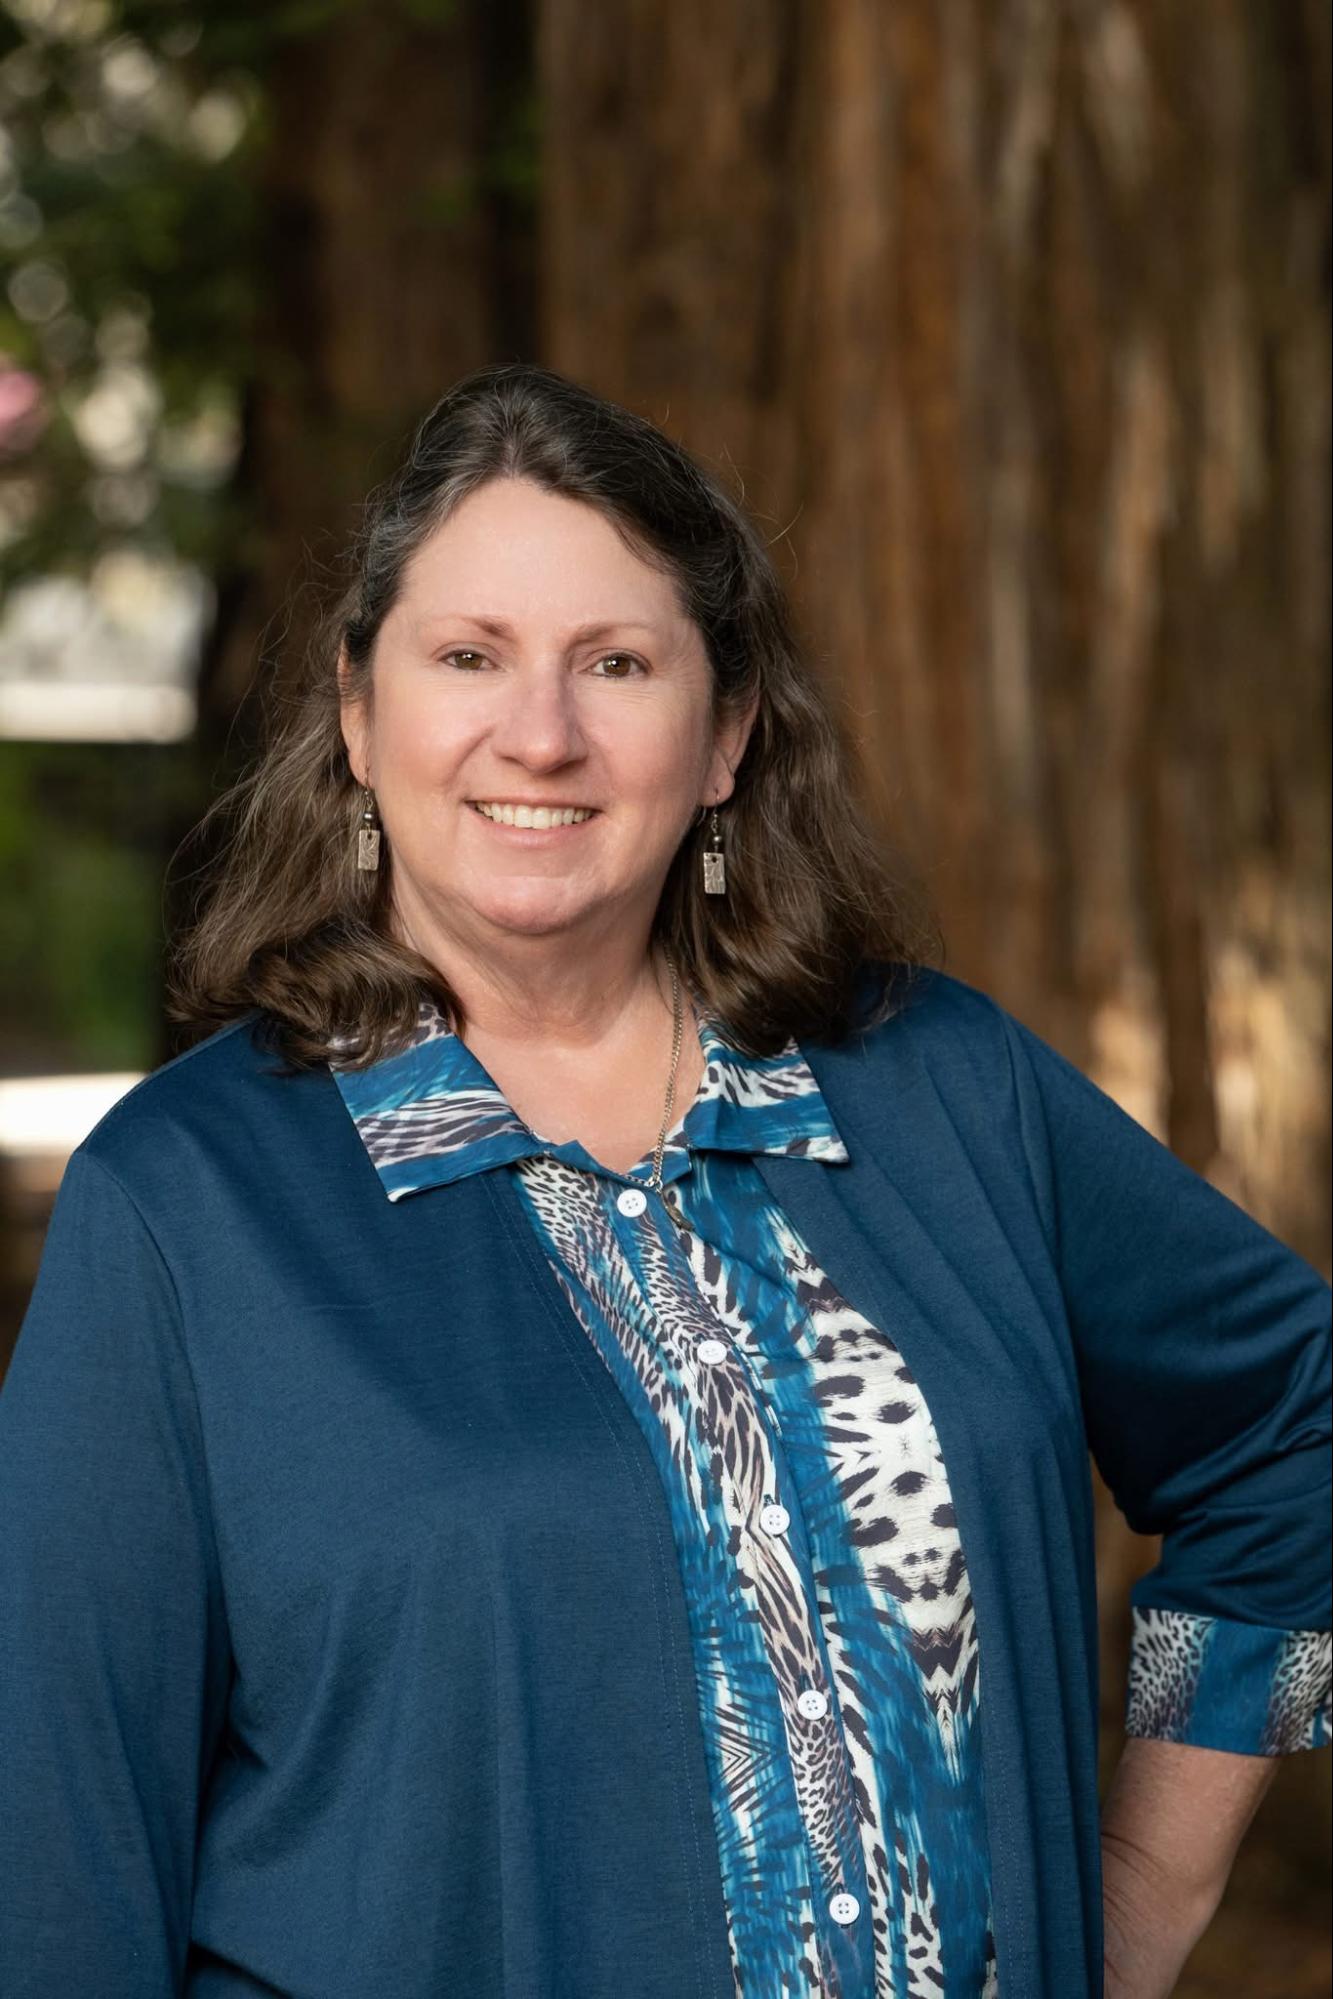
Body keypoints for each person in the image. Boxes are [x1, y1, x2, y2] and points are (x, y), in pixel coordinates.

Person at [0, 361, 1328, 1999]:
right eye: (467, 656)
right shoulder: (187, 1203)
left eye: (615, 663)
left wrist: (1141, 1885)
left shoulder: (945, 1088)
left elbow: (1294, 1441)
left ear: (723, 737)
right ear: (358, 717)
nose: (540, 734)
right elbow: (61, 1846)